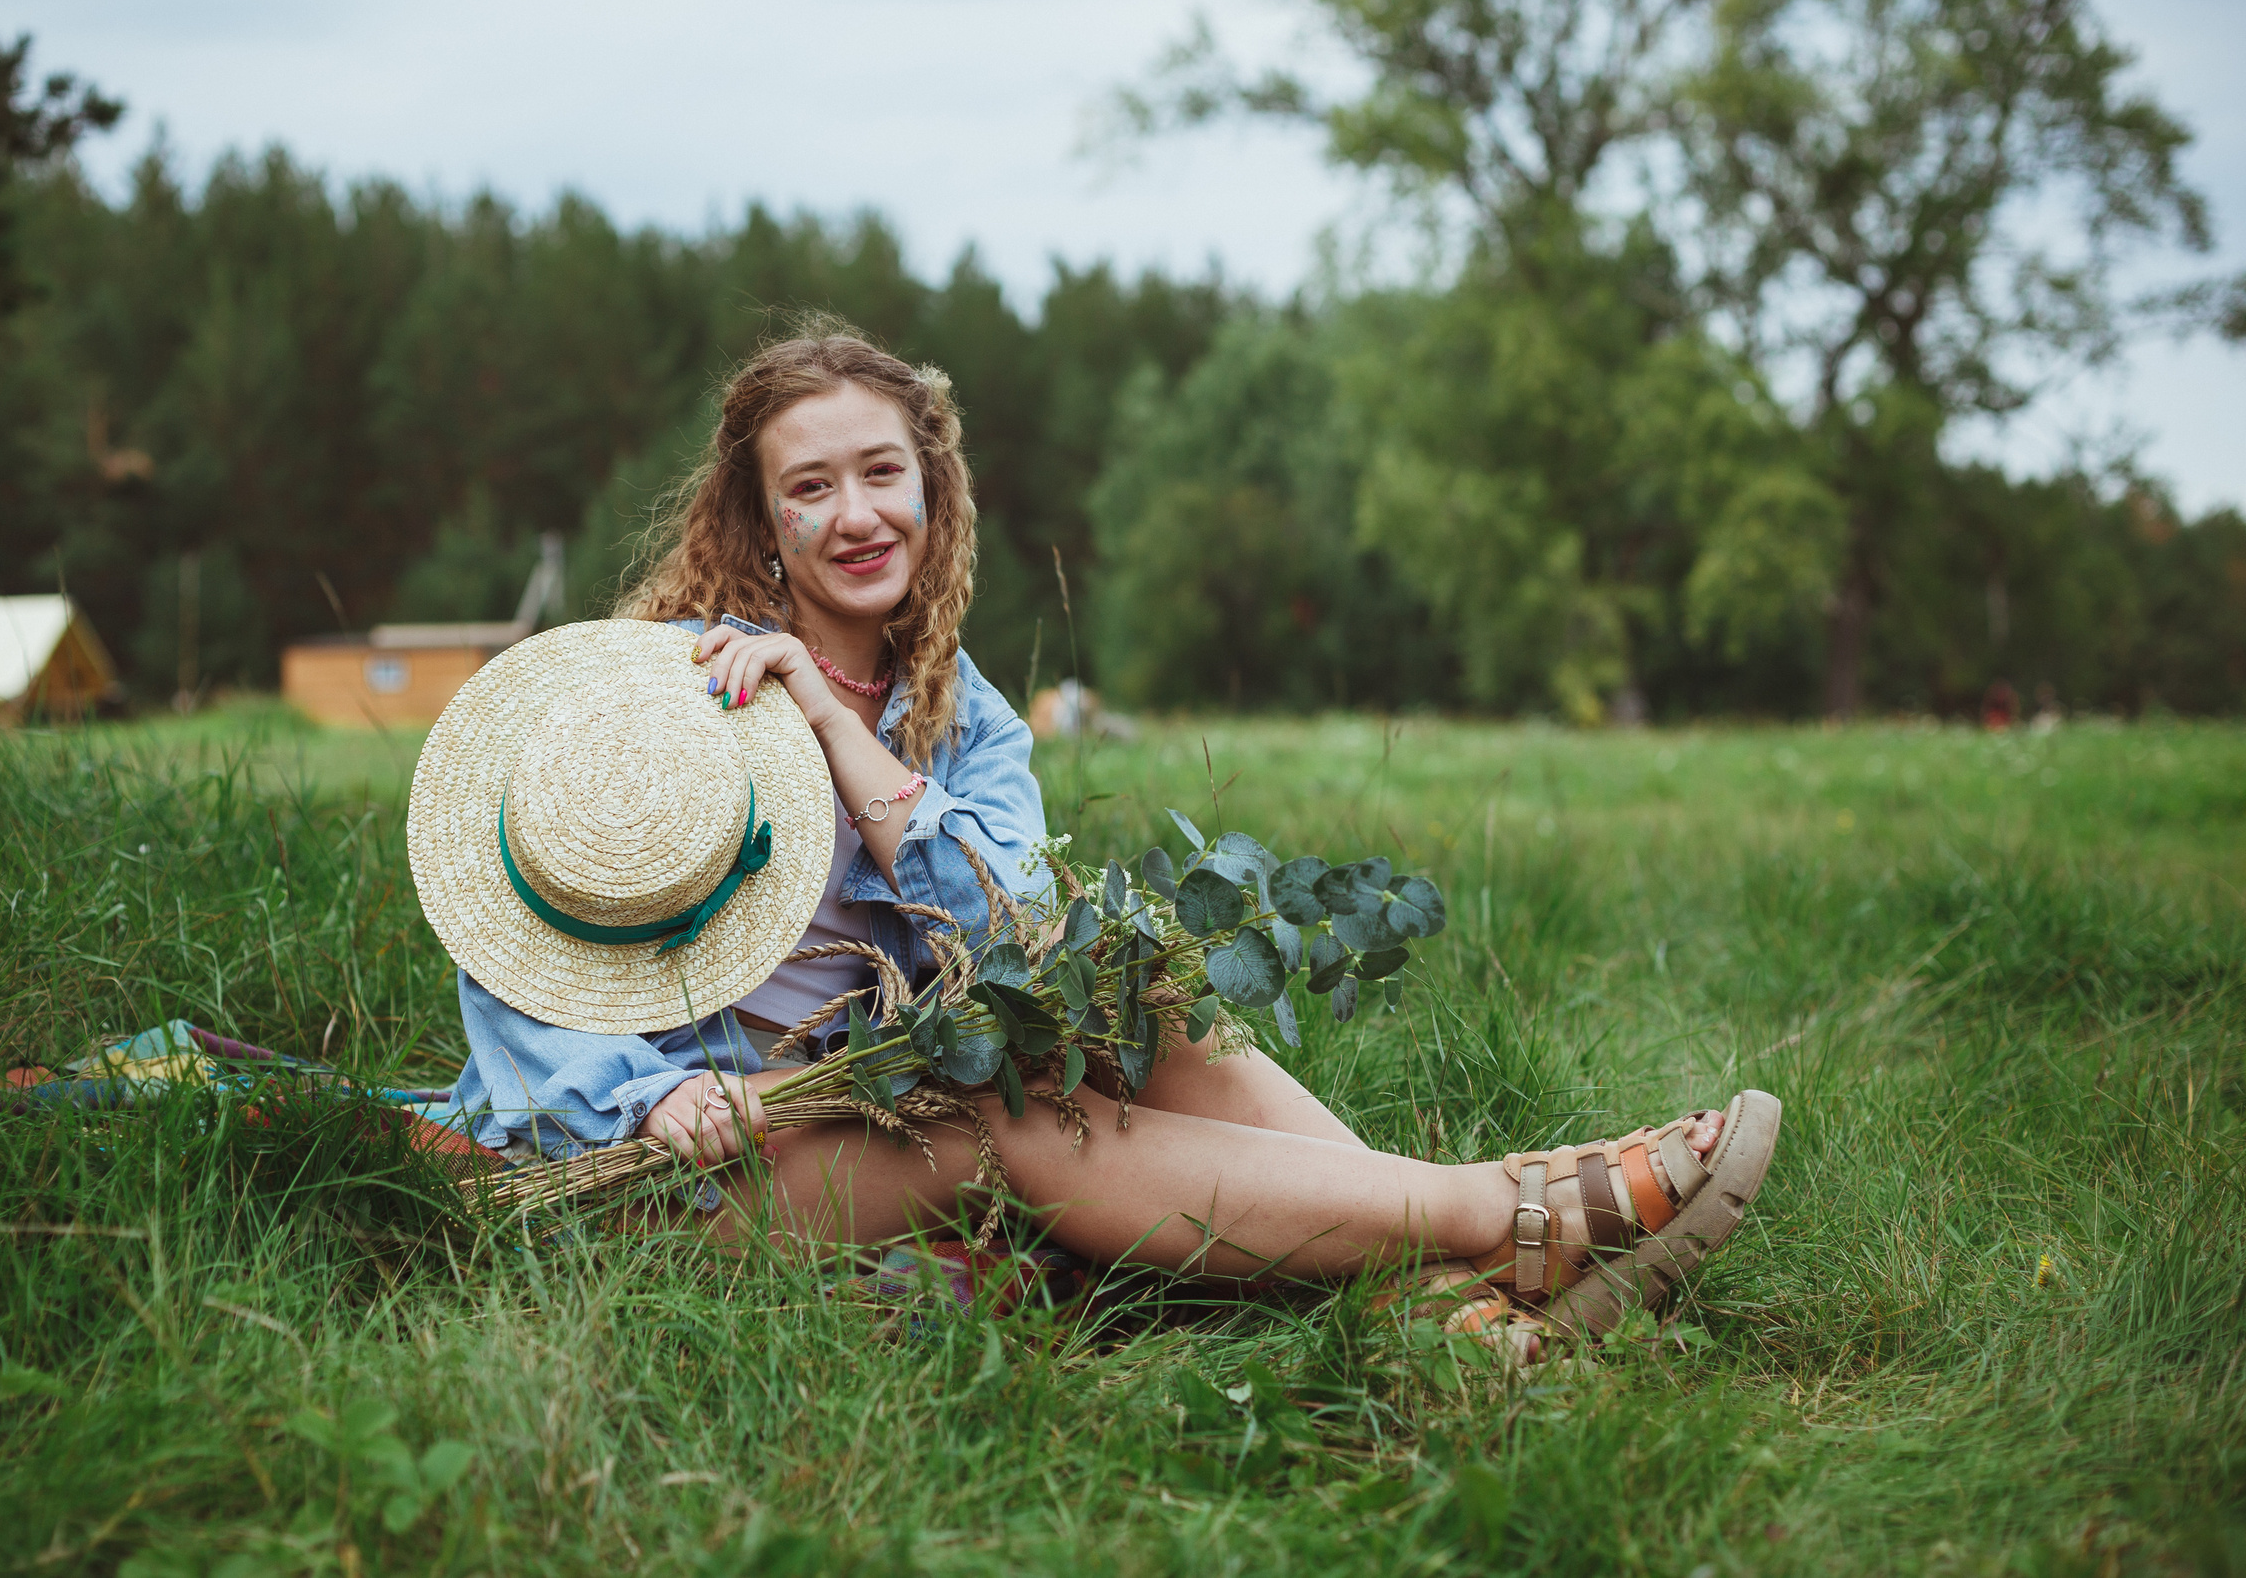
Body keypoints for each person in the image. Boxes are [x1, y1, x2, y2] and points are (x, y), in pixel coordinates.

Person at [409, 325, 1779, 1340]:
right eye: (810, 487)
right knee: (1018, 1131)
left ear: (932, 490)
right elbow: (518, 946)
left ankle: (1437, 1292)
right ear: (761, 519)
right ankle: (1506, 1215)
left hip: (868, 1107)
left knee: (1152, 1019)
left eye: (881, 473)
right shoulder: (656, 696)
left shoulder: (964, 716)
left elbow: (1016, 943)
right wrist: (648, 1098)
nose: (855, 515)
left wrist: (841, 740)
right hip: (677, 1172)